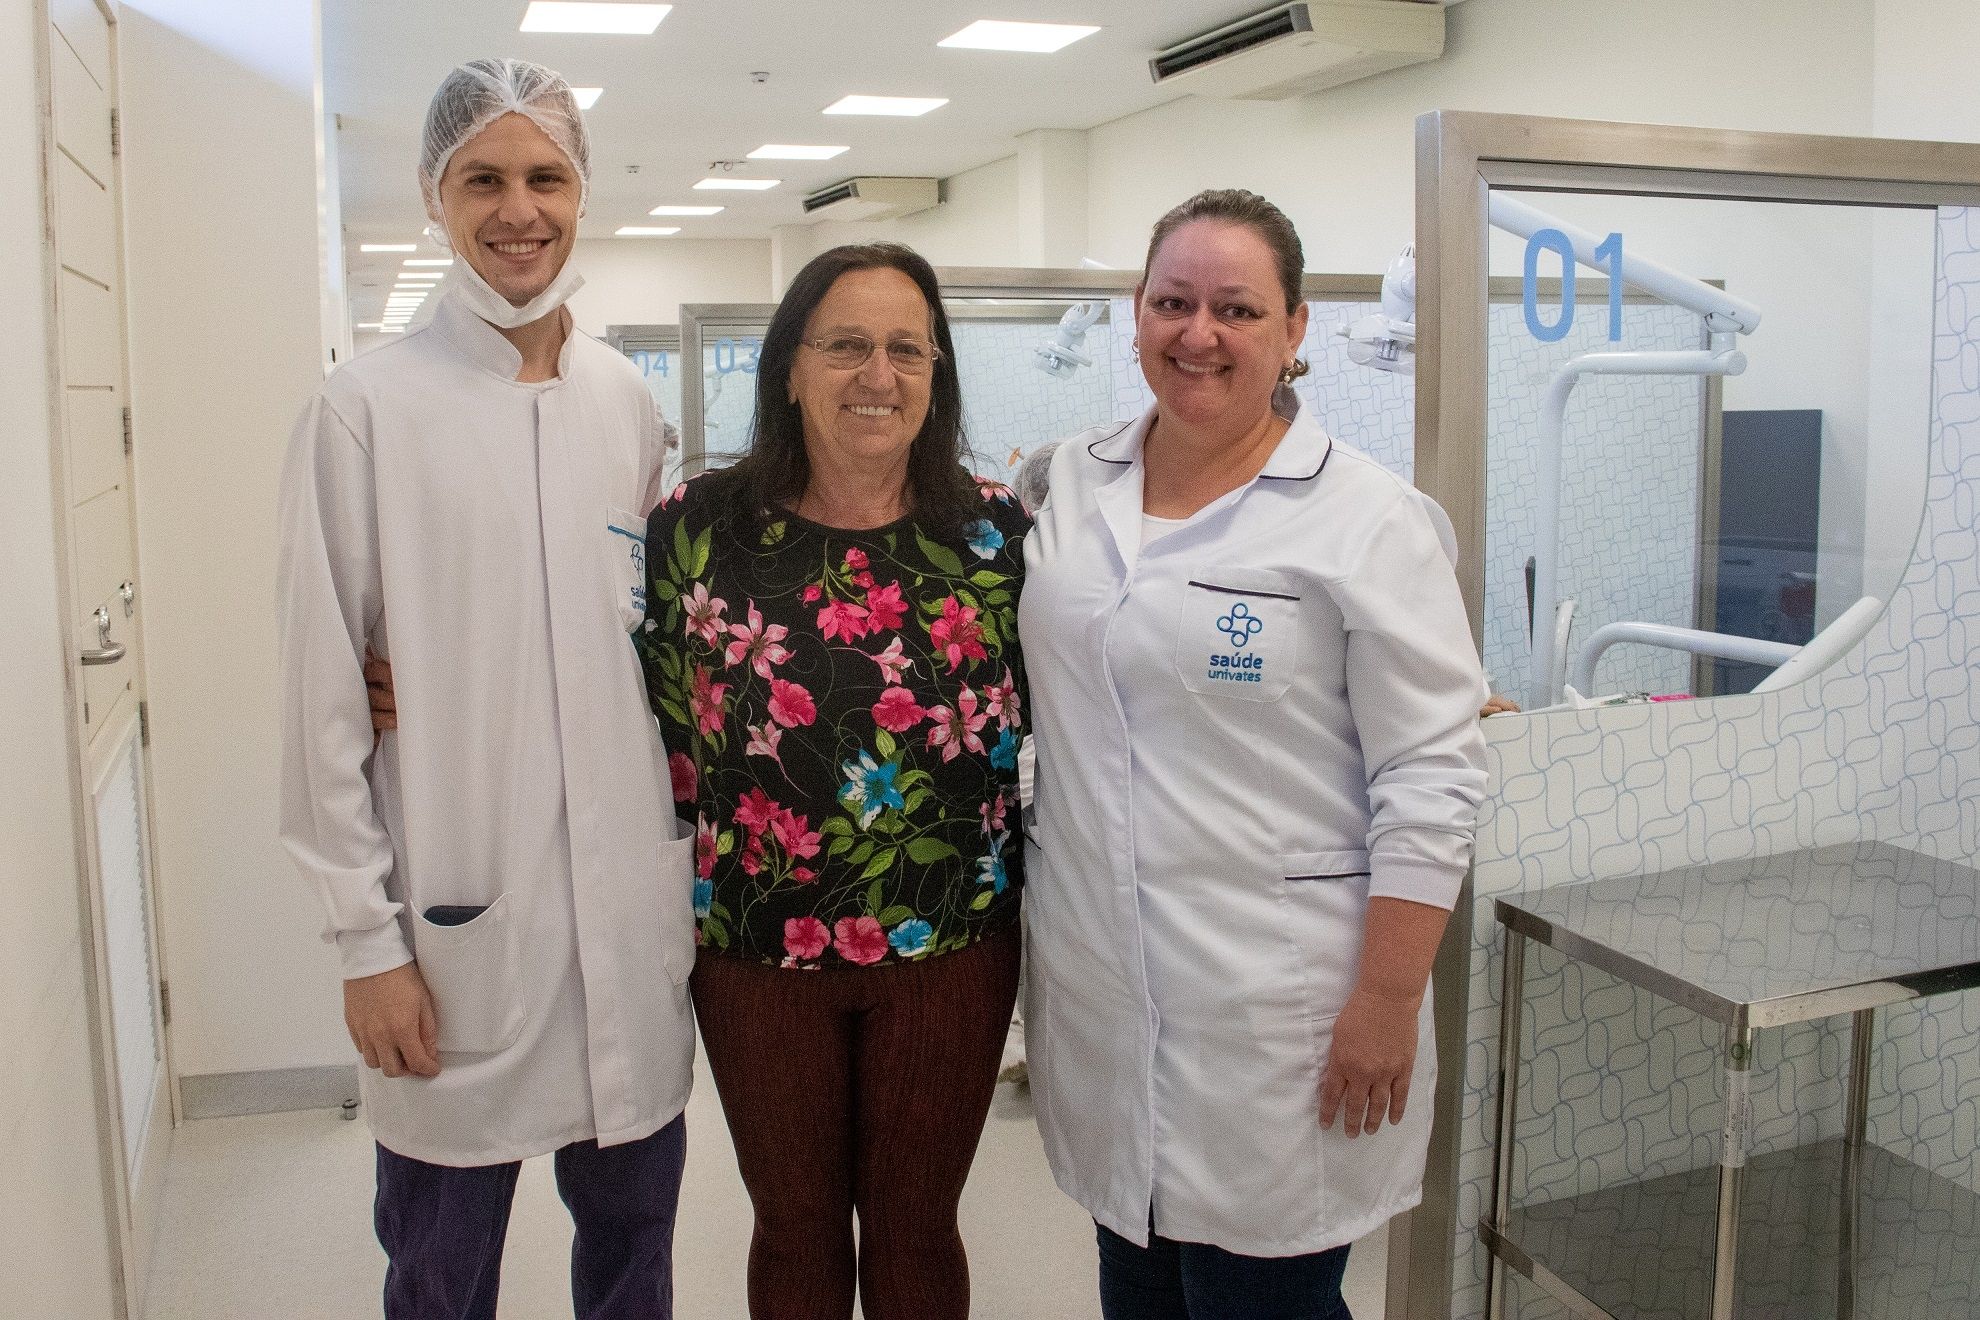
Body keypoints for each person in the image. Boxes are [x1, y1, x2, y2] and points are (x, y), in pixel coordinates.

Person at [1019, 189, 1490, 1320]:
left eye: (1237, 309)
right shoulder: (1071, 479)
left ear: (1294, 330)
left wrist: (1388, 995)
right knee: (1138, 1288)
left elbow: (1432, 775)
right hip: (1104, 1000)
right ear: (1137, 314)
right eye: (1172, 302)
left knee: (1261, 1301)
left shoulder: (1369, 518)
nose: (1200, 334)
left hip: (1281, 1012)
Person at [276, 58, 695, 1320]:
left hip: (624, 932)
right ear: (434, 195)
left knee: (634, 1261)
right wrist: (366, 946)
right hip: (456, 935)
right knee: (441, 1276)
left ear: (583, 192)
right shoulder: (364, 411)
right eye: (484, 180)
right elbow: (320, 706)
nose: (521, 211)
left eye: (546, 177)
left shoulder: (627, 401)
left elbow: (647, 640)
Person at [636, 242, 1029, 1320]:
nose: (878, 375)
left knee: (917, 1230)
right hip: (756, 943)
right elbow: (630, 702)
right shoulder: (697, 527)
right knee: (795, 1228)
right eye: (847, 345)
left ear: (937, 372)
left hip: (952, 941)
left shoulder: (995, 534)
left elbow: (1092, 694)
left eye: (908, 349)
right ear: (790, 370)